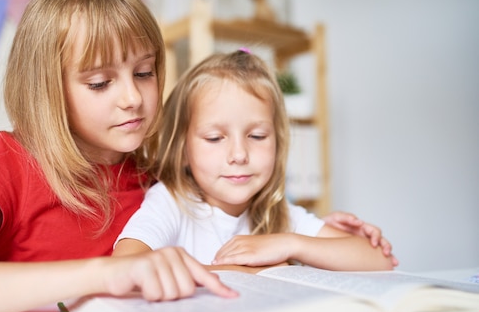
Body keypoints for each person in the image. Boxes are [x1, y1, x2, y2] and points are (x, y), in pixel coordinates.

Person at [0, 0, 238, 312]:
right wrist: (105, 275)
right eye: (100, 83)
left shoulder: (160, 179)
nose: (133, 98)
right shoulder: (5, 162)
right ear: (48, 89)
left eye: (144, 73)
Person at [113, 50, 397, 271]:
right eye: (215, 138)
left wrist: (290, 245)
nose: (239, 155)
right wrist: (257, 270)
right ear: (183, 150)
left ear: (278, 140)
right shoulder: (171, 203)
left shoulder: (278, 212)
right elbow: (127, 266)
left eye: (258, 136)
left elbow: (380, 260)